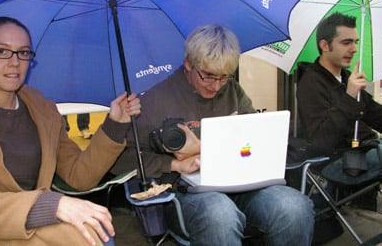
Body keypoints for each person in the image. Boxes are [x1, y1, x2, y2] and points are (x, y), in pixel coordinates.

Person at [0, 16, 141, 246]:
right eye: (2, 51)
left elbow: (78, 177)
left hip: (29, 226)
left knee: (97, 234)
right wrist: (52, 205)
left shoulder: (43, 111)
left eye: (23, 53)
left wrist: (115, 124)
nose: (14, 62)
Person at [110, 24, 314, 245]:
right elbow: (123, 160)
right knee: (220, 214)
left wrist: (202, 149)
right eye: (208, 76)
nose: (216, 86)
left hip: (243, 187)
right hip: (186, 195)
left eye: (224, 77)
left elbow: (254, 144)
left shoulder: (233, 91)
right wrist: (172, 165)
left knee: (295, 207)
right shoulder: (154, 101)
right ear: (189, 62)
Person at [296, 12, 381, 207]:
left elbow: (374, 113)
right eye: (346, 42)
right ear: (325, 45)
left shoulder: (345, 77)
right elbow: (321, 142)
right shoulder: (311, 84)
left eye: (355, 42)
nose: (353, 49)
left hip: (363, 150)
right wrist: (349, 96)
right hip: (336, 161)